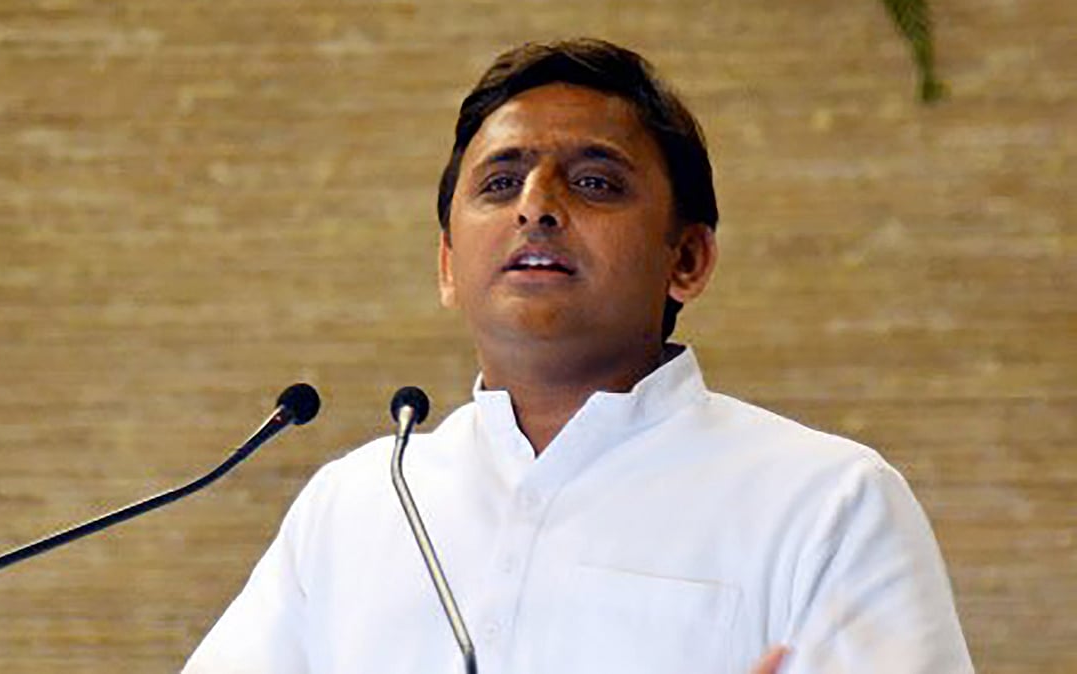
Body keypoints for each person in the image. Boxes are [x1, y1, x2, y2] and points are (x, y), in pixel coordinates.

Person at [183, 38, 973, 674]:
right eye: (500, 183)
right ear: (449, 265)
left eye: (594, 182)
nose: (536, 206)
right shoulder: (359, 502)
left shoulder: (827, 502)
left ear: (688, 260)